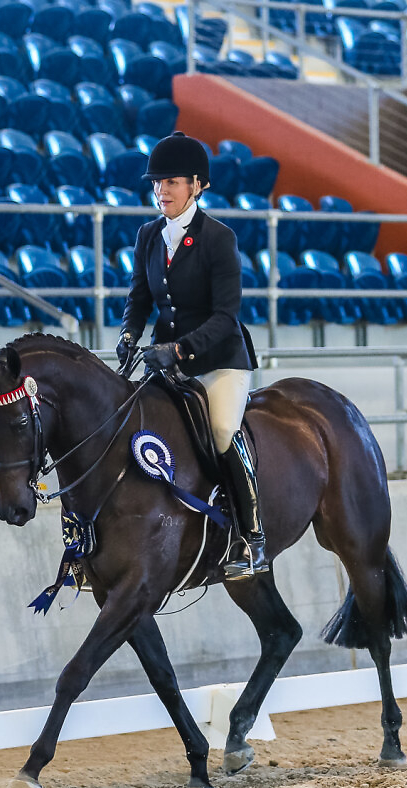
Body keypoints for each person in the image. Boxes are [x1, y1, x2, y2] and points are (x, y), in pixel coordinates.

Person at [116, 131, 266, 580]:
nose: (162, 190)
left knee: (221, 429)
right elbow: (138, 298)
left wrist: (179, 349)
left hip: (218, 360)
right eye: (157, 183)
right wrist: (129, 333)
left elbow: (226, 316)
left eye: (172, 182)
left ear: (197, 185)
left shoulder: (219, 238)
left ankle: (252, 536)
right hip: (166, 360)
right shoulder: (148, 235)